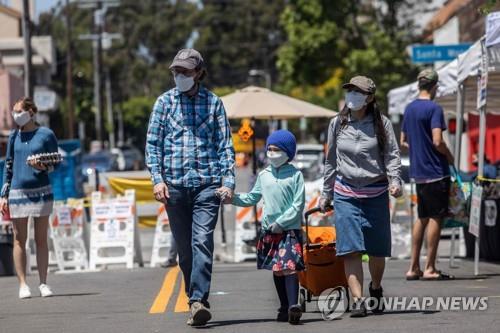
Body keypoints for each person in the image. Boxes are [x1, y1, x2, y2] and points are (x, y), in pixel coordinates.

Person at [145, 48, 235, 327]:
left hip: (207, 186)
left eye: (185, 71)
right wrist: (157, 179)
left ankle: (198, 300)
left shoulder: (213, 103)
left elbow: (225, 145)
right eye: (176, 71)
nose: (179, 76)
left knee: (201, 243)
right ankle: (193, 297)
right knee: (185, 249)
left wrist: (228, 181)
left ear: (198, 73)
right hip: (174, 187)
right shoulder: (164, 103)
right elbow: (152, 145)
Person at [319, 76, 402, 317]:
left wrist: (395, 181)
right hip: (345, 193)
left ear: (370, 97)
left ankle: (375, 288)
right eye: (350, 90)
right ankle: (358, 301)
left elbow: (392, 155)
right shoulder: (337, 123)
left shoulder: (381, 123)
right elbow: (331, 160)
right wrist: (326, 193)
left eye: (358, 91)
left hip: (375, 192)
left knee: (377, 251)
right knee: (350, 249)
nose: (352, 94)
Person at [230, 130, 305, 325]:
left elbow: (298, 205)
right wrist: (232, 199)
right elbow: (252, 197)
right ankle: (283, 306)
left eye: (276, 149)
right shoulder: (263, 175)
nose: (272, 153)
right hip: (270, 231)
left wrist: (281, 222)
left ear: (288, 152)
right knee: (278, 269)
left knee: (289, 267)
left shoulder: (296, 175)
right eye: (269, 149)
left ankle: (293, 305)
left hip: (289, 230)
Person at [0, 97, 60, 299]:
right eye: (14, 111)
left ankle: (43, 283)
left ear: (31, 112)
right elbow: (8, 165)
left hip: (41, 191)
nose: (16, 115)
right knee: (19, 239)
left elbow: (56, 162)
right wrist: (3, 195)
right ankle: (23, 284)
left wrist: (42, 166)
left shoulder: (46, 134)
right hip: (17, 192)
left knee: (41, 239)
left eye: (19, 111)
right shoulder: (13, 136)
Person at [401, 69, 456, 281]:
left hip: (418, 173)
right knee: (436, 217)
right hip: (435, 171)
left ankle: (413, 267)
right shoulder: (433, 108)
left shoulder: (409, 108)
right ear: (434, 87)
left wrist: (417, 147)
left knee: (422, 217)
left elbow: (403, 140)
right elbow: (437, 141)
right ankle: (430, 267)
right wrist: (449, 156)